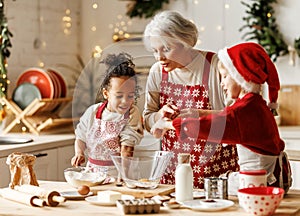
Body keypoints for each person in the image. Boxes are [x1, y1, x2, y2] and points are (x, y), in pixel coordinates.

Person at [151, 42, 292, 194]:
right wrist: (195, 112)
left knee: (207, 190)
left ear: (242, 77)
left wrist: (167, 124)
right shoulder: (254, 104)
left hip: (257, 185)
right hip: (271, 180)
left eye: (225, 76)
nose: (222, 83)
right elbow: (225, 114)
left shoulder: (244, 111)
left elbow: (204, 127)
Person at [142, 10, 239, 189]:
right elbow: (147, 120)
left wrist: (199, 115)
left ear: (185, 43)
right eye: (155, 51)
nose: (159, 57)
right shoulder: (157, 71)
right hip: (172, 168)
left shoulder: (214, 65)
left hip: (215, 165)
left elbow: (236, 116)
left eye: (166, 49)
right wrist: (159, 116)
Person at [71, 52, 144, 176]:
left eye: (130, 95)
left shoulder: (132, 114)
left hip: (118, 173)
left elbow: (127, 149)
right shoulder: (93, 112)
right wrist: (79, 153)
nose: (125, 101)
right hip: (92, 173)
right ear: (106, 94)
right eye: (119, 96)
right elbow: (81, 137)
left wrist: (124, 176)